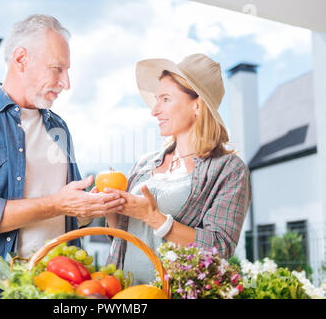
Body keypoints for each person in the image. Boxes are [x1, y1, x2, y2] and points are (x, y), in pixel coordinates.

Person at [0, 15, 124, 299]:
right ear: (21, 59)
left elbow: (67, 215)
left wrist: (90, 207)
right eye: (57, 69)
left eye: (67, 70)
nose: (66, 82)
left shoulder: (58, 127)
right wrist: (56, 203)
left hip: (57, 289)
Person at [102, 54, 252, 284]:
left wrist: (154, 218)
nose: (154, 110)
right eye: (157, 99)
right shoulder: (144, 164)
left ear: (197, 106)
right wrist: (110, 208)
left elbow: (219, 248)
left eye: (165, 99)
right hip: (122, 292)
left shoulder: (229, 170)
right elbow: (123, 233)